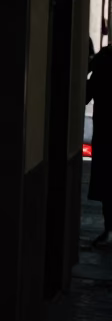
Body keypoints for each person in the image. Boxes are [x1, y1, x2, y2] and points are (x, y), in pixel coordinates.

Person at [88, 44, 112, 246]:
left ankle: (108, 230)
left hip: (105, 135)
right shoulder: (103, 60)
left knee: (106, 185)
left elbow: (85, 94)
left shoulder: (103, 62)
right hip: (105, 135)